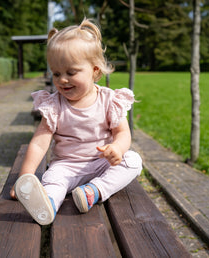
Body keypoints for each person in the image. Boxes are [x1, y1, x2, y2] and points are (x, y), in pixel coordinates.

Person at [10, 18, 142, 225]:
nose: (62, 79)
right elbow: (39, 142)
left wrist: (117, 148)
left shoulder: (109, 100)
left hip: (101, 164)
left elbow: (123, 133)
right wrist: (25, 177)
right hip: (67, 166)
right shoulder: (55, 105)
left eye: (71, 72)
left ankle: (93, 191)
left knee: (133, 161)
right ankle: (47, 204)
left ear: (95, 71)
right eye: (56, 73)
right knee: (52, 179)